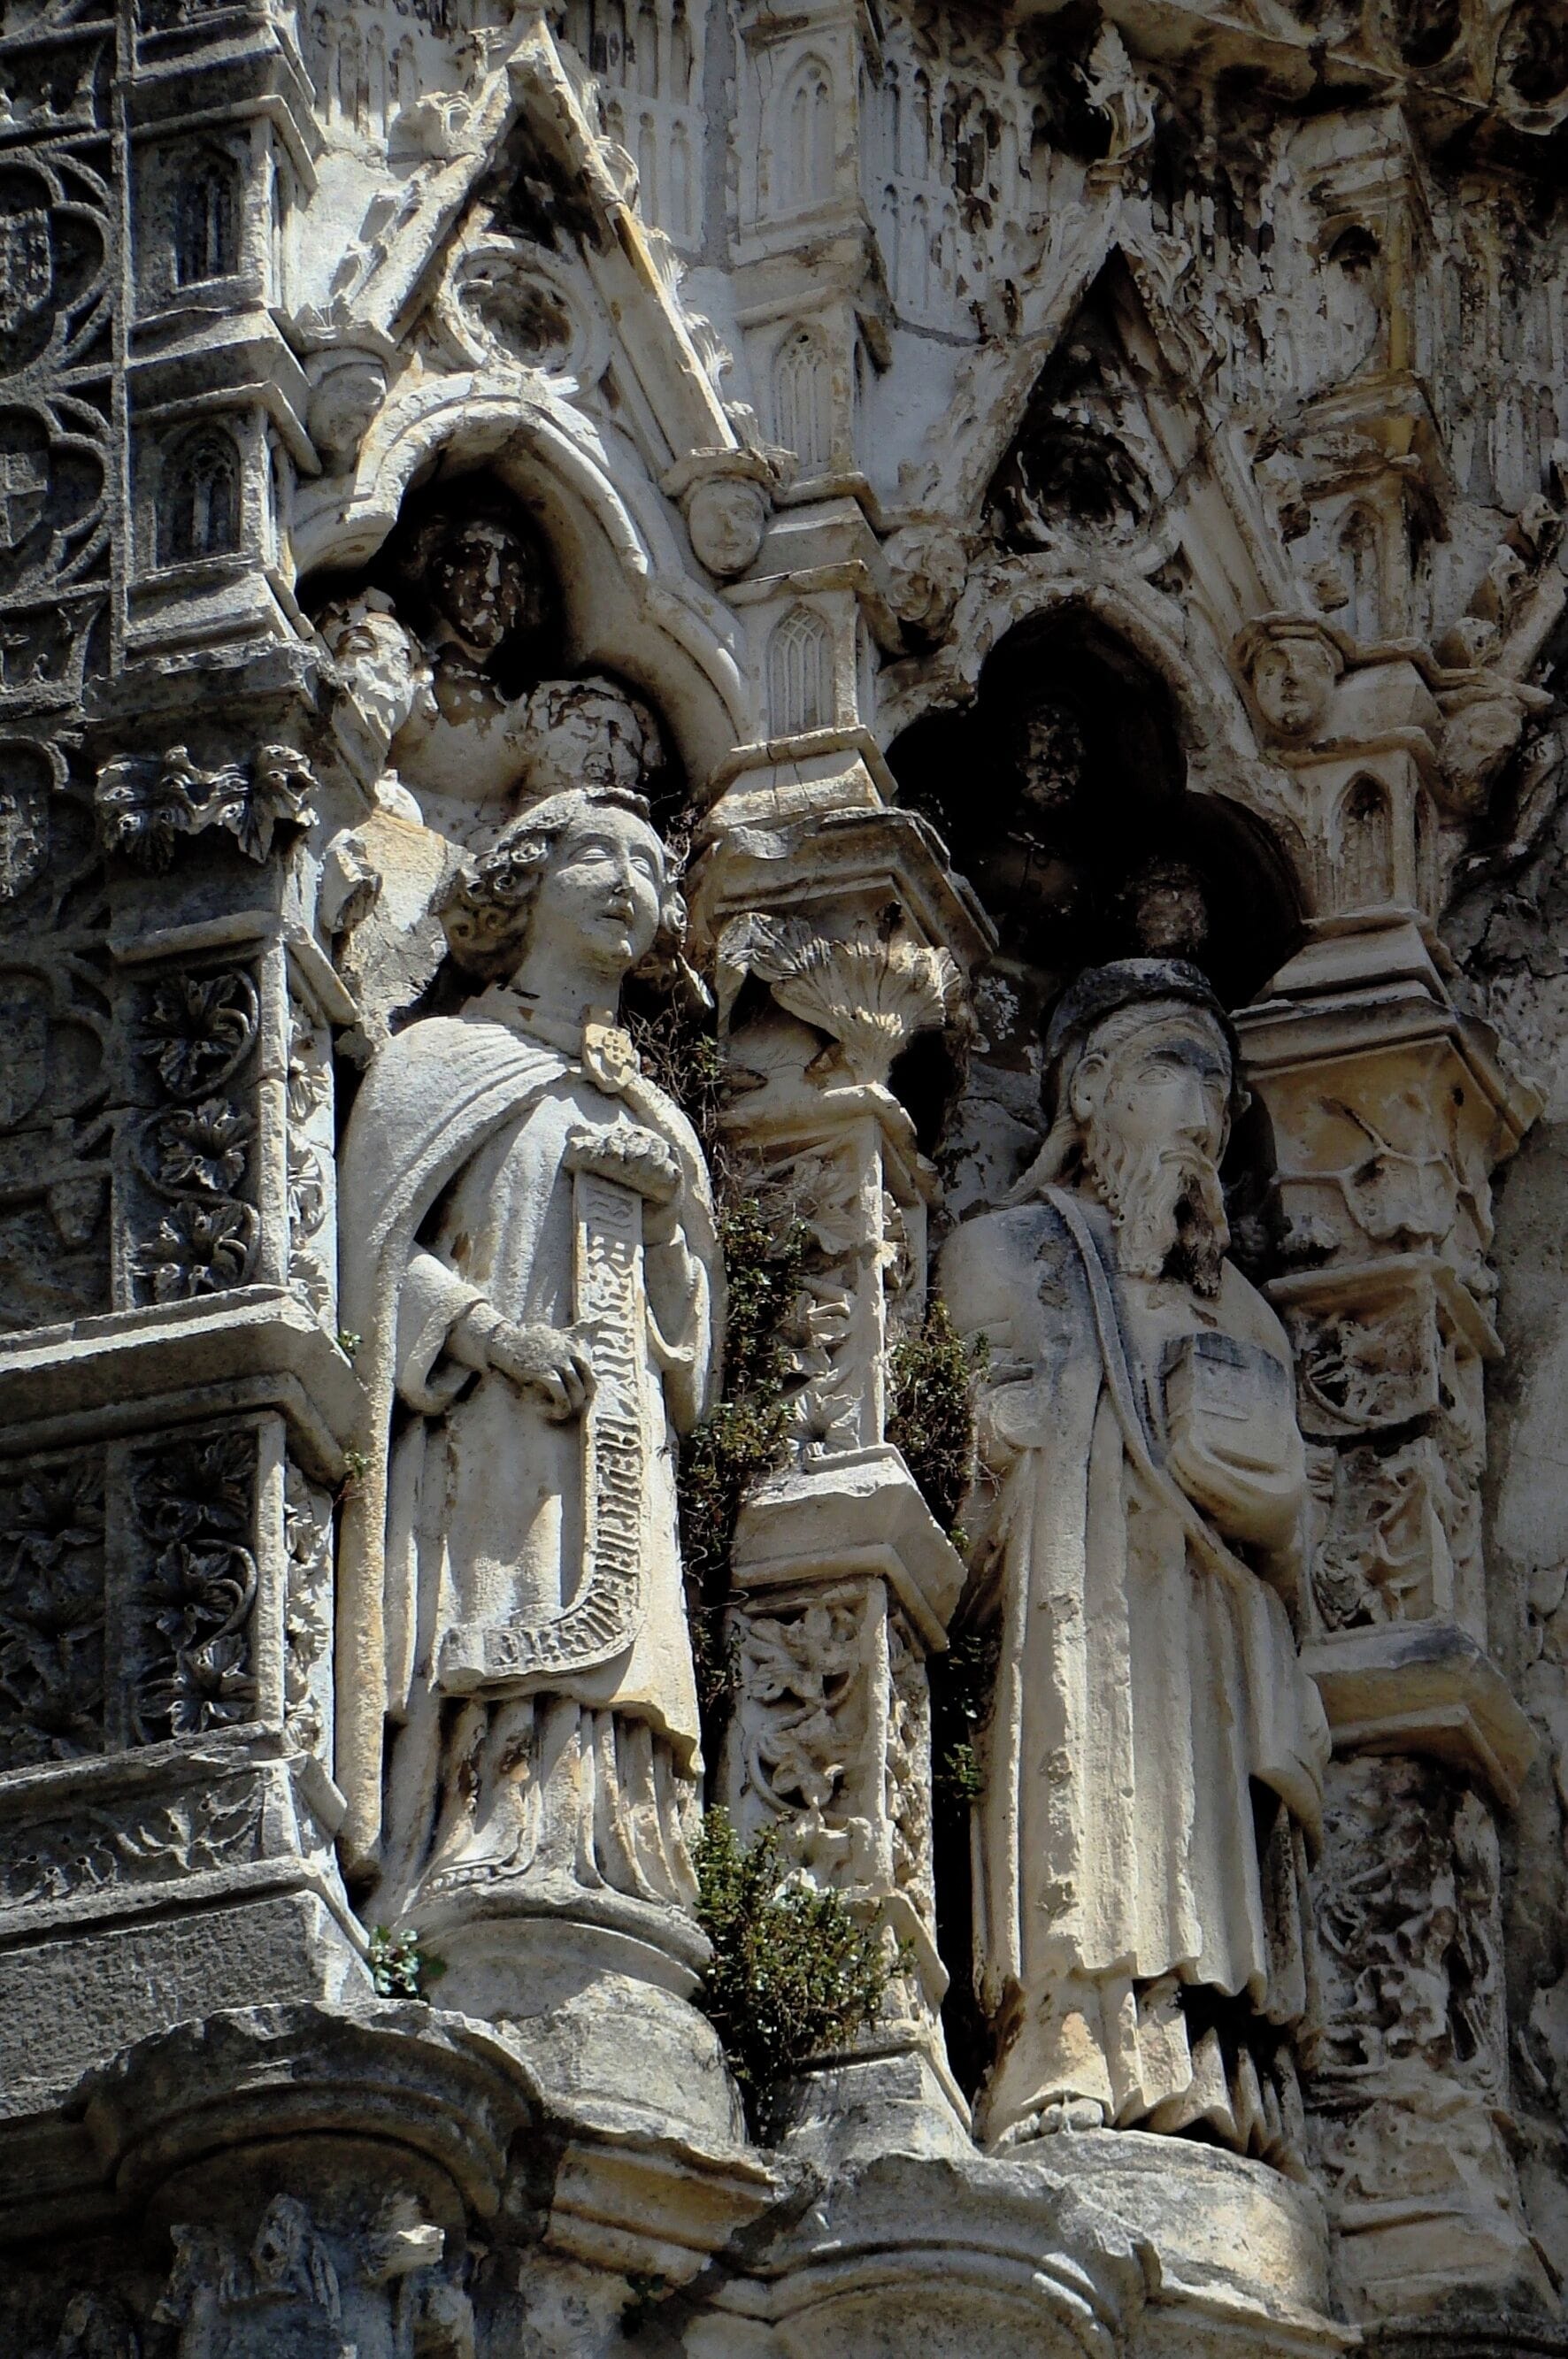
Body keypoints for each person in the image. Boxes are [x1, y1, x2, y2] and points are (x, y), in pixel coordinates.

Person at [938, 958, 1327, 2163]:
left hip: (1209, 1627)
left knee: (1209, 1836)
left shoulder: (1243, 1314)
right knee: (1085, 1784)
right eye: (1175, 1072)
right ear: (1090, 1088)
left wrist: (1266, 1495)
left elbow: (1296, 1539)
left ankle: (1216, 2064)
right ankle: (1066, 2039)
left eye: (1222, 1091)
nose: (1205, 1114)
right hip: (1079, 1582)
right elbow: (971, 1464)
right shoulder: (1011, 1251)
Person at [334, 784, 719, 1989]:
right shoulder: (440, 1063)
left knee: (621, 1643)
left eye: (651, 869)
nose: (629, 885)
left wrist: (665, 1225)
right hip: (486, 1427)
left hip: (617, 1438)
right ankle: (465, 1849)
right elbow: (369, 1269)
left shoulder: (656, 1115)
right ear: (522, 884)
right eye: (598, 855)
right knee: (498, 1597)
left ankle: (613, 1862)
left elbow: (689, 1355)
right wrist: (495, 1339)